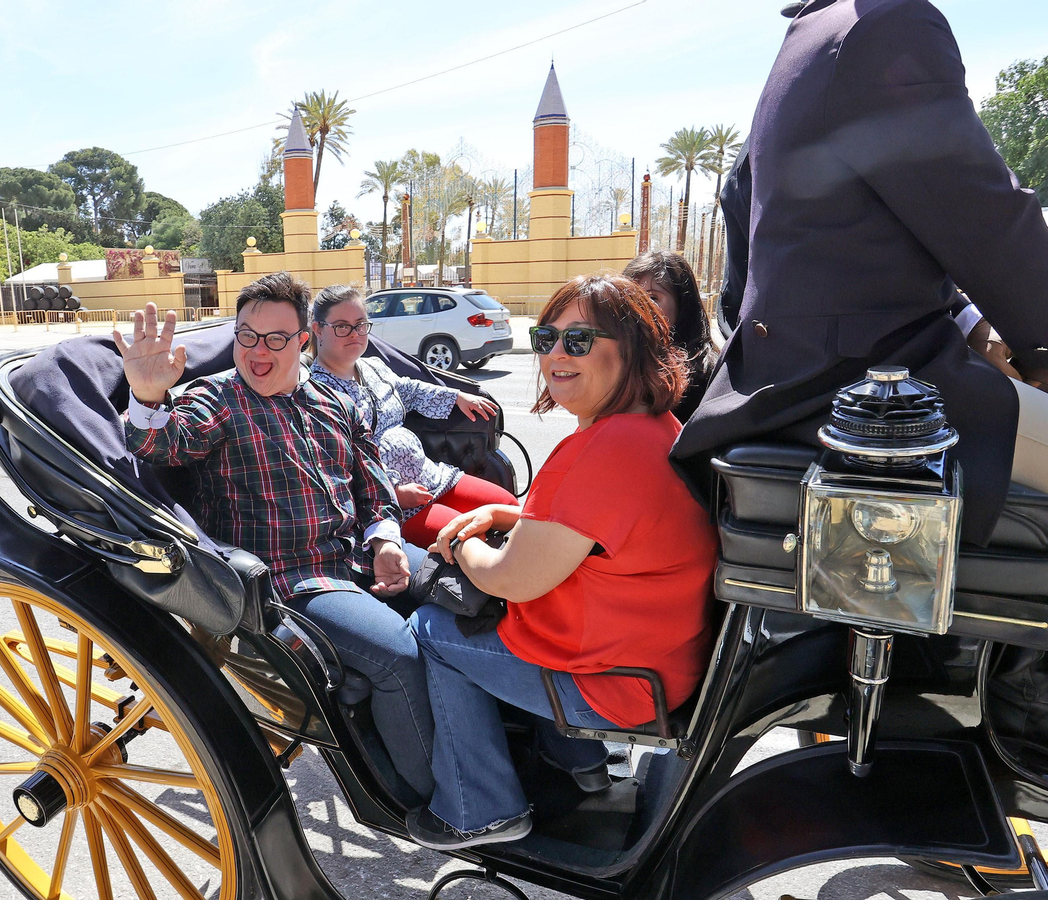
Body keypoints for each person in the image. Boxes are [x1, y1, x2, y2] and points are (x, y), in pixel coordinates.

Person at [671, 0, 1048, 781]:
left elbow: (871, 227)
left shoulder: (814, 34)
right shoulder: (887, 22)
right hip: (872, 386)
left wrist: (983, 328)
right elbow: (978, 207)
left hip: (812, 372)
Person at [403, 275, 717, 849]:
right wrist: (501, 519)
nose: (554, 355)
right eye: (547, 337)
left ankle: (481, 808)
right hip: (654, 662)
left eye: (578, 341)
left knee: (430, 627)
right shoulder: (647, 429)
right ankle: (583, 765)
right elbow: (581, 527)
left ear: (633, 349)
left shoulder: (603, 449)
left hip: (613, 683)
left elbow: (511, 581)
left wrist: (459, 544)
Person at [119, 272, 435, 797]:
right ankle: (426, 798)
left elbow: (372, 482)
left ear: (303, 342)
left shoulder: (335, 402)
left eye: (275, 339)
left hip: (355, 553)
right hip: (290, 581)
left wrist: (384, 540)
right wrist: (148, 395)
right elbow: (165, 444)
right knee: (399, 657)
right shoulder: (219, 398)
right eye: (247, 335)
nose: (257, 352)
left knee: (474, 595)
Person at [307, 285, 516, 546]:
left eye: (360, 324)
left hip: (429, 475)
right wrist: (394, 492)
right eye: (342, 326)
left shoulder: (372, 367)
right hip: (389, 504)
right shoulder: (315, 392)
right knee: (471, 538)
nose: (354, 334)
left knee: (509, 508)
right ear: (317, 329)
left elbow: (408, 389)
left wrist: (456, 396)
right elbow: (337, 463)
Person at [621, 250, 716, 422]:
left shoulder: (703, 375)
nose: (638, 307)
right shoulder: (620, 363)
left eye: (652, 297)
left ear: (683, 304)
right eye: (630, 298)